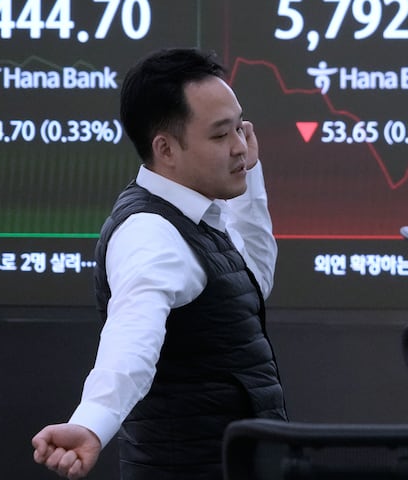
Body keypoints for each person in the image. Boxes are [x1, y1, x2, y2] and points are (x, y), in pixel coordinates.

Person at [31, 48, 287, 480]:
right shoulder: (150, 234)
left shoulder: (195, 213)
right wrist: (92, 420)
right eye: (221, 135)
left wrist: (248, 174)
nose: (241, 146)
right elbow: (133, 339)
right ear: (166, 148)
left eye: (241, 128)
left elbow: (252, 281)